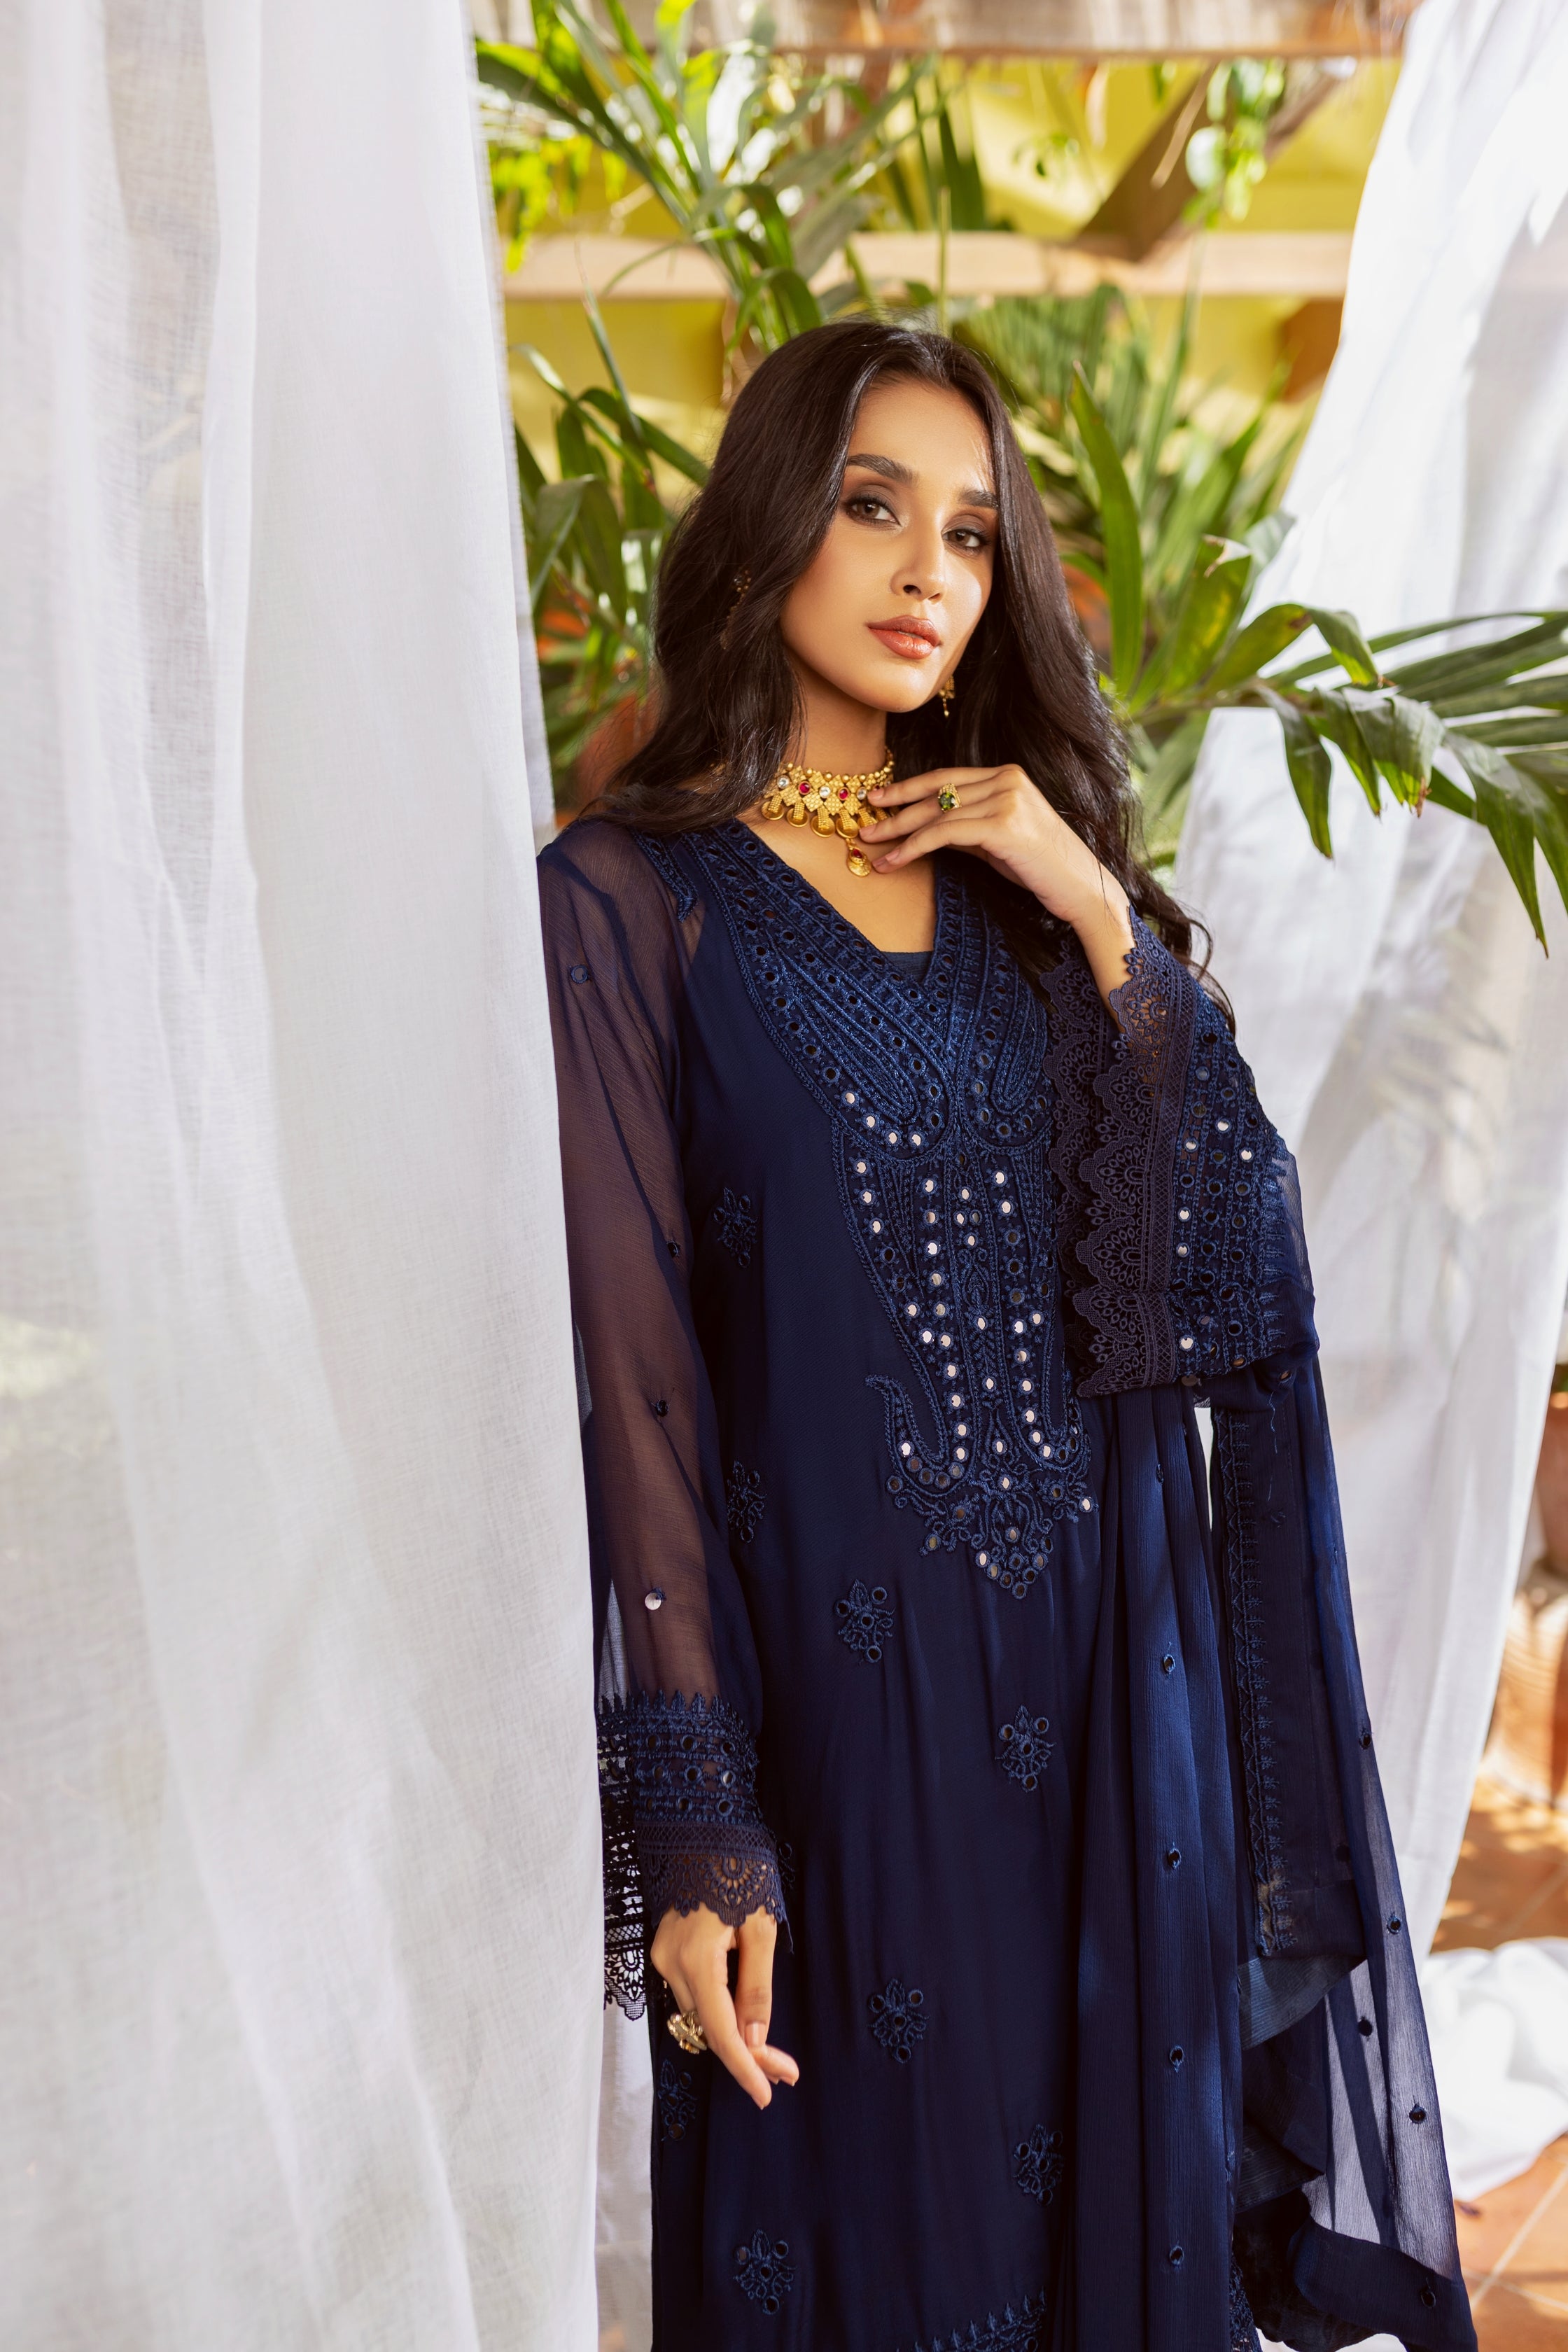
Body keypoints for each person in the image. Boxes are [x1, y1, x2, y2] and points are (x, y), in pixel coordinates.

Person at [540, 319, 1474, 2352]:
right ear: (774, 518)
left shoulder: (1033, 914)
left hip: (1116, 1719)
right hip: (841, 1735)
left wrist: (1098, 905)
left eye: (972, 533)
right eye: (873, 506)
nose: (927, 572)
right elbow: (635, 1385)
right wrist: (696, 1810)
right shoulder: (631, 903)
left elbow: (1231, 1282)